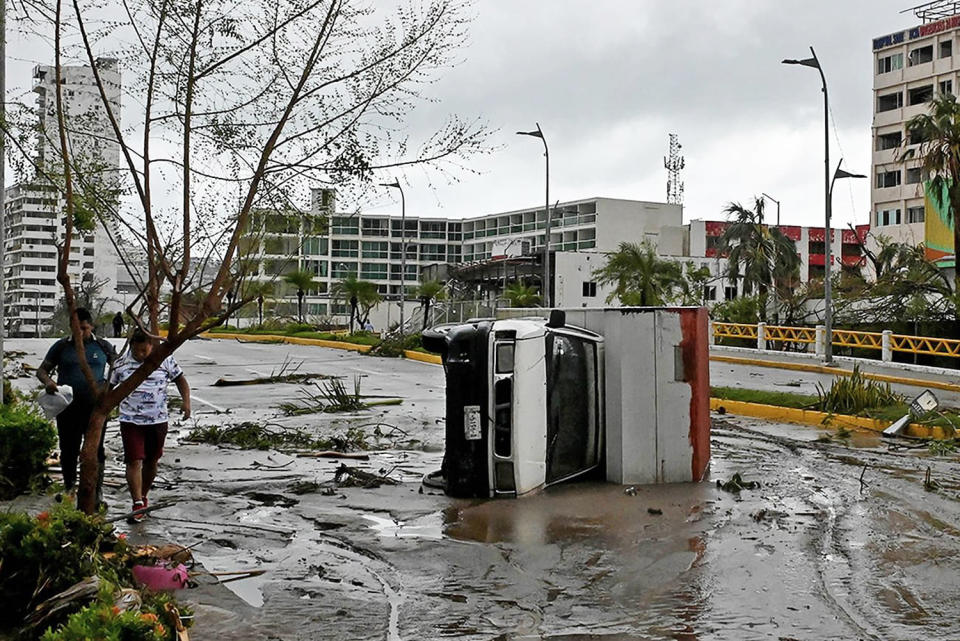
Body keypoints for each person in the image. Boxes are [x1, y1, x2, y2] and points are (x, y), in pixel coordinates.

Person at [37, 307, 118, 505]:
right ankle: (69, 487)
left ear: (91, 326)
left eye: (83, 328)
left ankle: (96, 492)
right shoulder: (61, 346)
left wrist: (109, 390)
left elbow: (118, 369)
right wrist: (48, 383)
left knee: (96, 450)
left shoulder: (103, 346)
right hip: (67, 407)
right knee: (69, 448)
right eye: (76, 328)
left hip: (95, 409)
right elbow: (42, 370)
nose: (80, 333)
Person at [110, 328, 190, 523]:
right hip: (130, 420)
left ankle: (143, 495)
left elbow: (180, 379)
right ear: (131, 347)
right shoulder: (120, 364)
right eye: (137, 351)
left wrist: (186, 402)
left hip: (157, 419)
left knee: (151, 461)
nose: (140, 355)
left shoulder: (163, 359)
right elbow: (108, 388)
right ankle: (137, 502)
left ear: (151, 346)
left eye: (144, 352)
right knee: (134, 461)